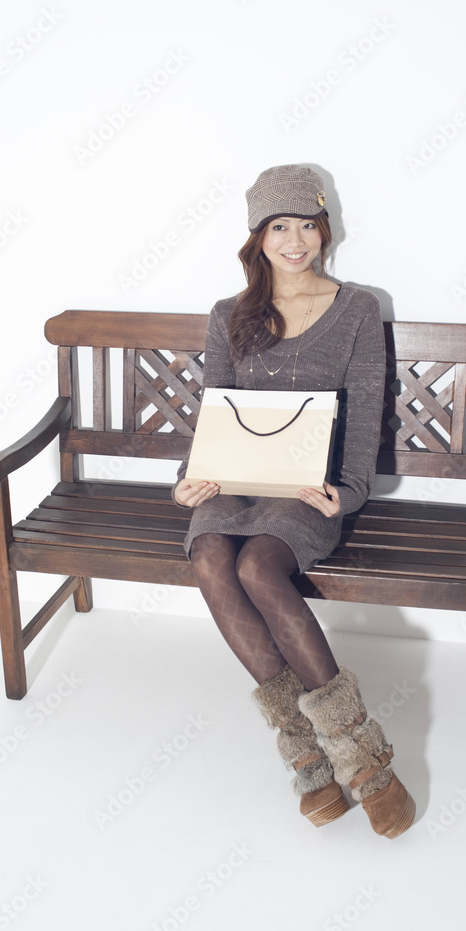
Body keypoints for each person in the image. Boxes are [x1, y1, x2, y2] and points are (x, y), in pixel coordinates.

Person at [173, 164, 415, 837]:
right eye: (279, 226)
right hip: (233, 480)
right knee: (211, 556)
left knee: (258, 566)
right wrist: (190, 477)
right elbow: (215, 408)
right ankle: (307, 755)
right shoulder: (229, 315)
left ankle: (365, 762)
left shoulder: (356, 309)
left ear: (324, 230)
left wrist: (350, 491)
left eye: (307, 225)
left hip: (311, 486)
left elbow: (364, 411)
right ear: (258, 236)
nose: (295, 240)